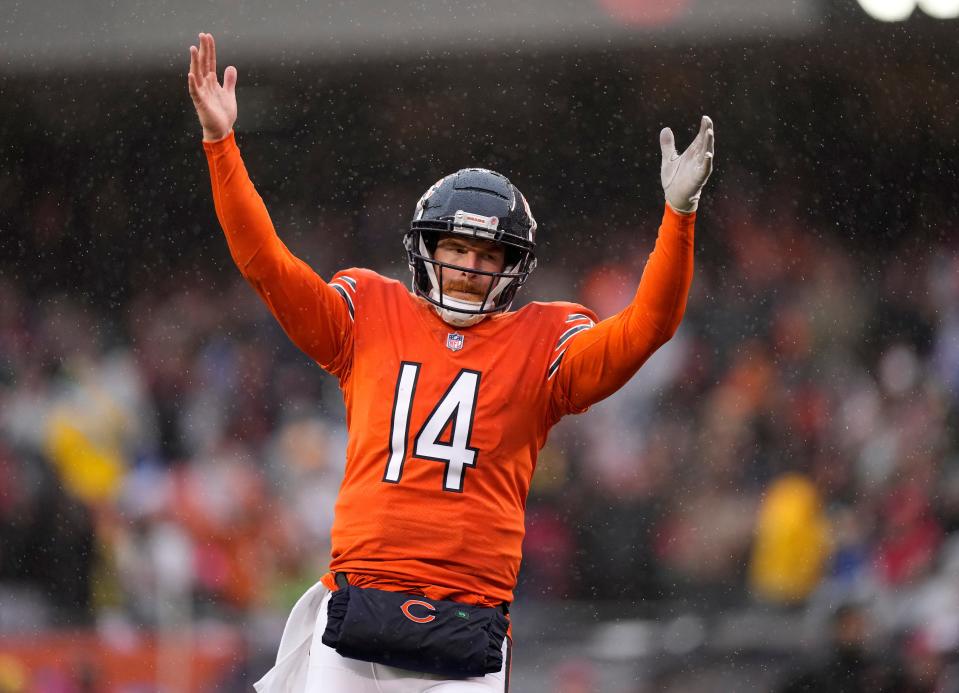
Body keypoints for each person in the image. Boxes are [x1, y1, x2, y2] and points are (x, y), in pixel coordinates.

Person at [187, 31, 714, 693]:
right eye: (458, 247)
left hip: (465, 628)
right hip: (357, 611)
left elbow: (649, 327)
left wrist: (679, 214)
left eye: (489, 254)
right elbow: (265, 263)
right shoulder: (368, 311)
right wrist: (221, 144)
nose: (469, 266)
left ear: (511, 266)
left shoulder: (544, 340)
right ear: (426, 246)